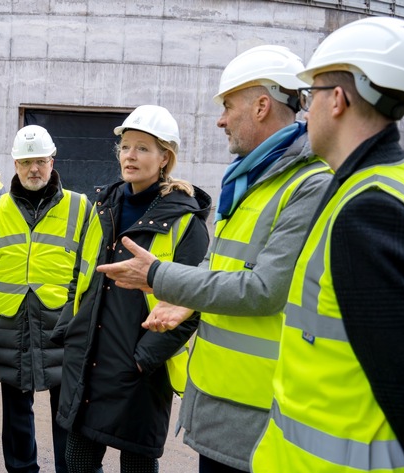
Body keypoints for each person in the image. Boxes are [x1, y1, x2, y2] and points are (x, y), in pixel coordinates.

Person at [97, 47, 333, 472]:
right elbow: (221, 265)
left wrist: (159, 277)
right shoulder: (250, 181)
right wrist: (189, 297)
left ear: (262, 106)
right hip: (223, 402)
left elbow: (264, 290)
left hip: (261, 412)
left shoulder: (307, 185)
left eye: (227, 106)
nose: (221, 120)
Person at [248, 17, 404, 473]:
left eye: (312, 95)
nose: (305, 111)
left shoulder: (371, 211)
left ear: (337, 99)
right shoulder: (400, 187)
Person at [53, 104, 212, 472]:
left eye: (142, 147)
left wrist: (143, 359)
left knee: (137, 466)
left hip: (138, 370)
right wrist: (70, 330)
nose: (130, 155)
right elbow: (82, 274)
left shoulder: (185, 222)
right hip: (88, 359)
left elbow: (193, 303)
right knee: (77, 463)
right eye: (125, 147)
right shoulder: (103, 207)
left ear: (164, 158)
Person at [0, 124, 91, 473]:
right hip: (10, 326)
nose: (33, 169)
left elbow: (89, 272)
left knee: (66, 414)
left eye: (39, 161)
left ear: (52, 161)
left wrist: (82, 324)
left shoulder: (80, 207)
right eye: (25, 163)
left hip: (62, 327)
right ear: (15, 165)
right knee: (16, 415)